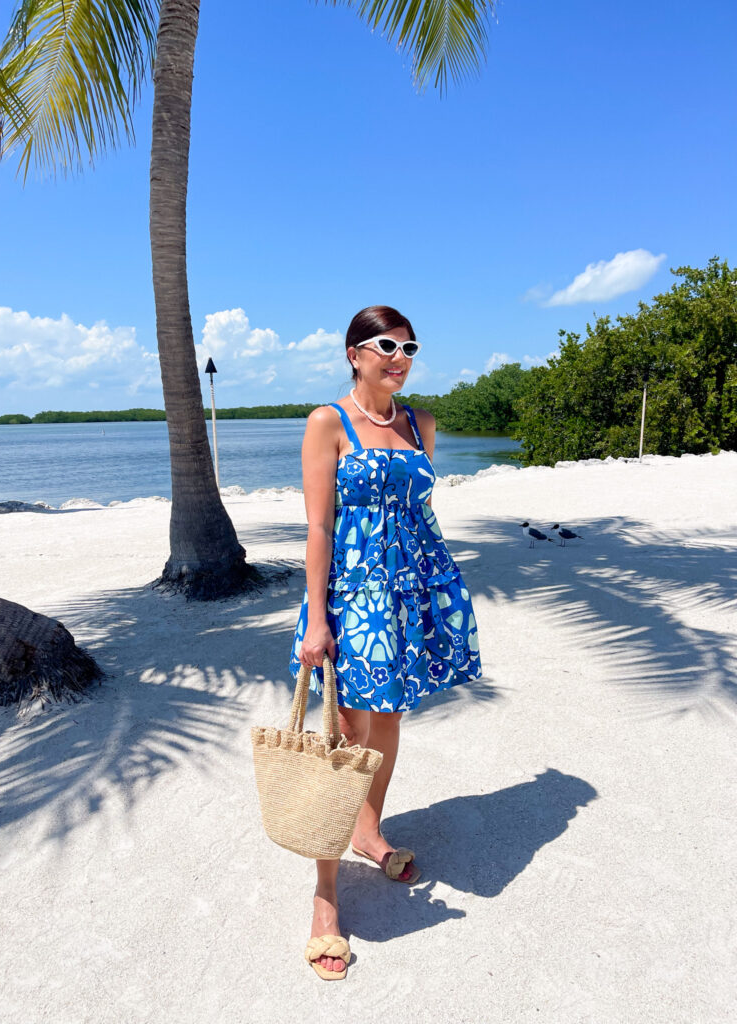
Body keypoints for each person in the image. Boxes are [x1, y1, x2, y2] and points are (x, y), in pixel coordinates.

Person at [289, 305, 482, 980]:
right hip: (354, 599)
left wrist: (437, 593)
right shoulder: (328, 423)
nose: (399, 358)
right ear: (354, 353)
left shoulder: (421, 424)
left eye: (409, 348)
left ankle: (369, 832)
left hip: (411, 592)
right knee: (345, 735)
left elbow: (420, 515)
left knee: (390, 717)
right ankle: (325, 898)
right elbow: (319, 528)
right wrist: (318, 618)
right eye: (386, 346)